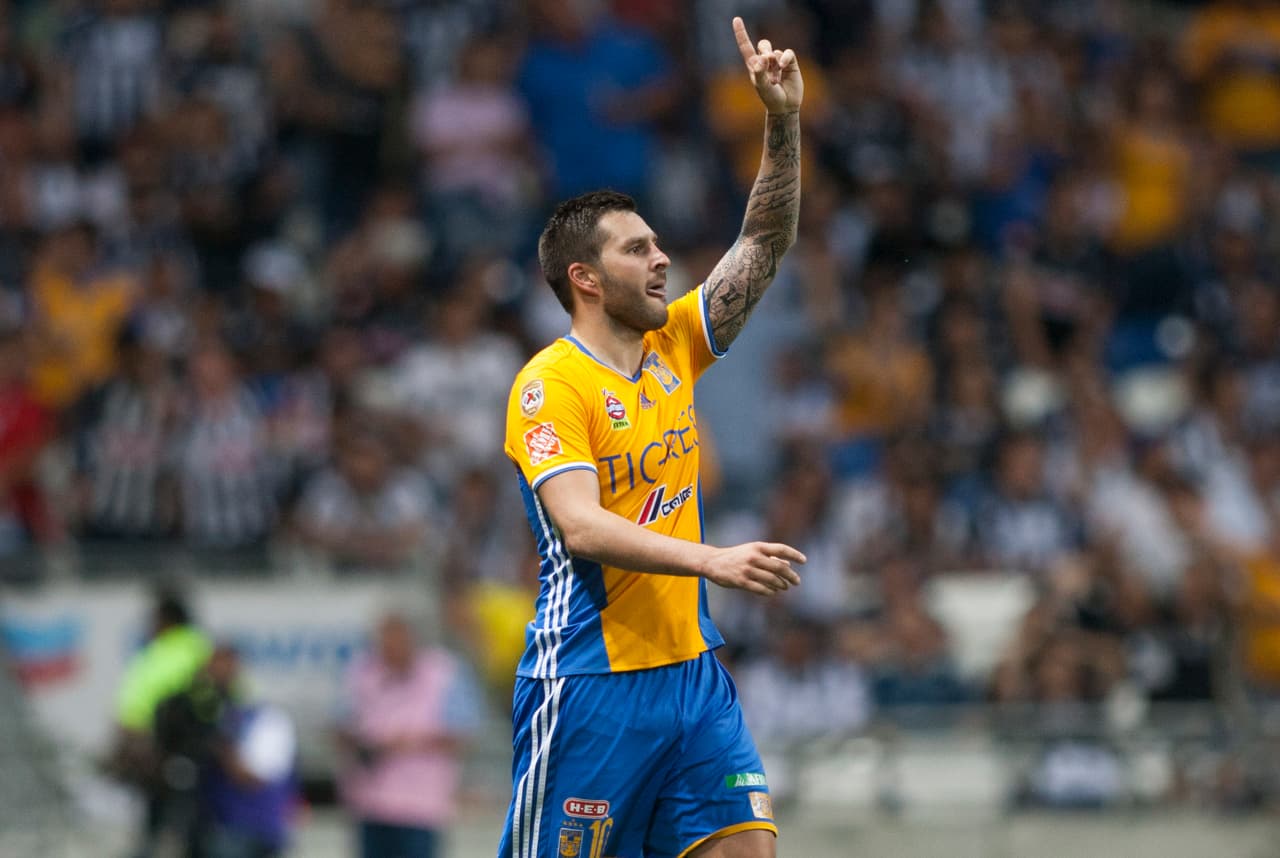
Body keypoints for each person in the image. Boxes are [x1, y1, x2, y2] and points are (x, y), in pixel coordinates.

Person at [499, 18, 805, 858]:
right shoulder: (549, 384)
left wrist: (781, 122)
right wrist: (713, 560)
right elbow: (581, 526)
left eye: (659, 243)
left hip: (693, 680)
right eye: (639, 249)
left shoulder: (673, 342)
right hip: (590, 688)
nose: (663, 259)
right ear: (585, 279)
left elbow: (765, 243)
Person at [336, 612, 483, 858]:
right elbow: (338, 724)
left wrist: (406, 743)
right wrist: (366, 744)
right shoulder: (362, 670)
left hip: (420, 805)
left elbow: (462, 731)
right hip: (370, 801)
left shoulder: (444, 673)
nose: (388, 648)